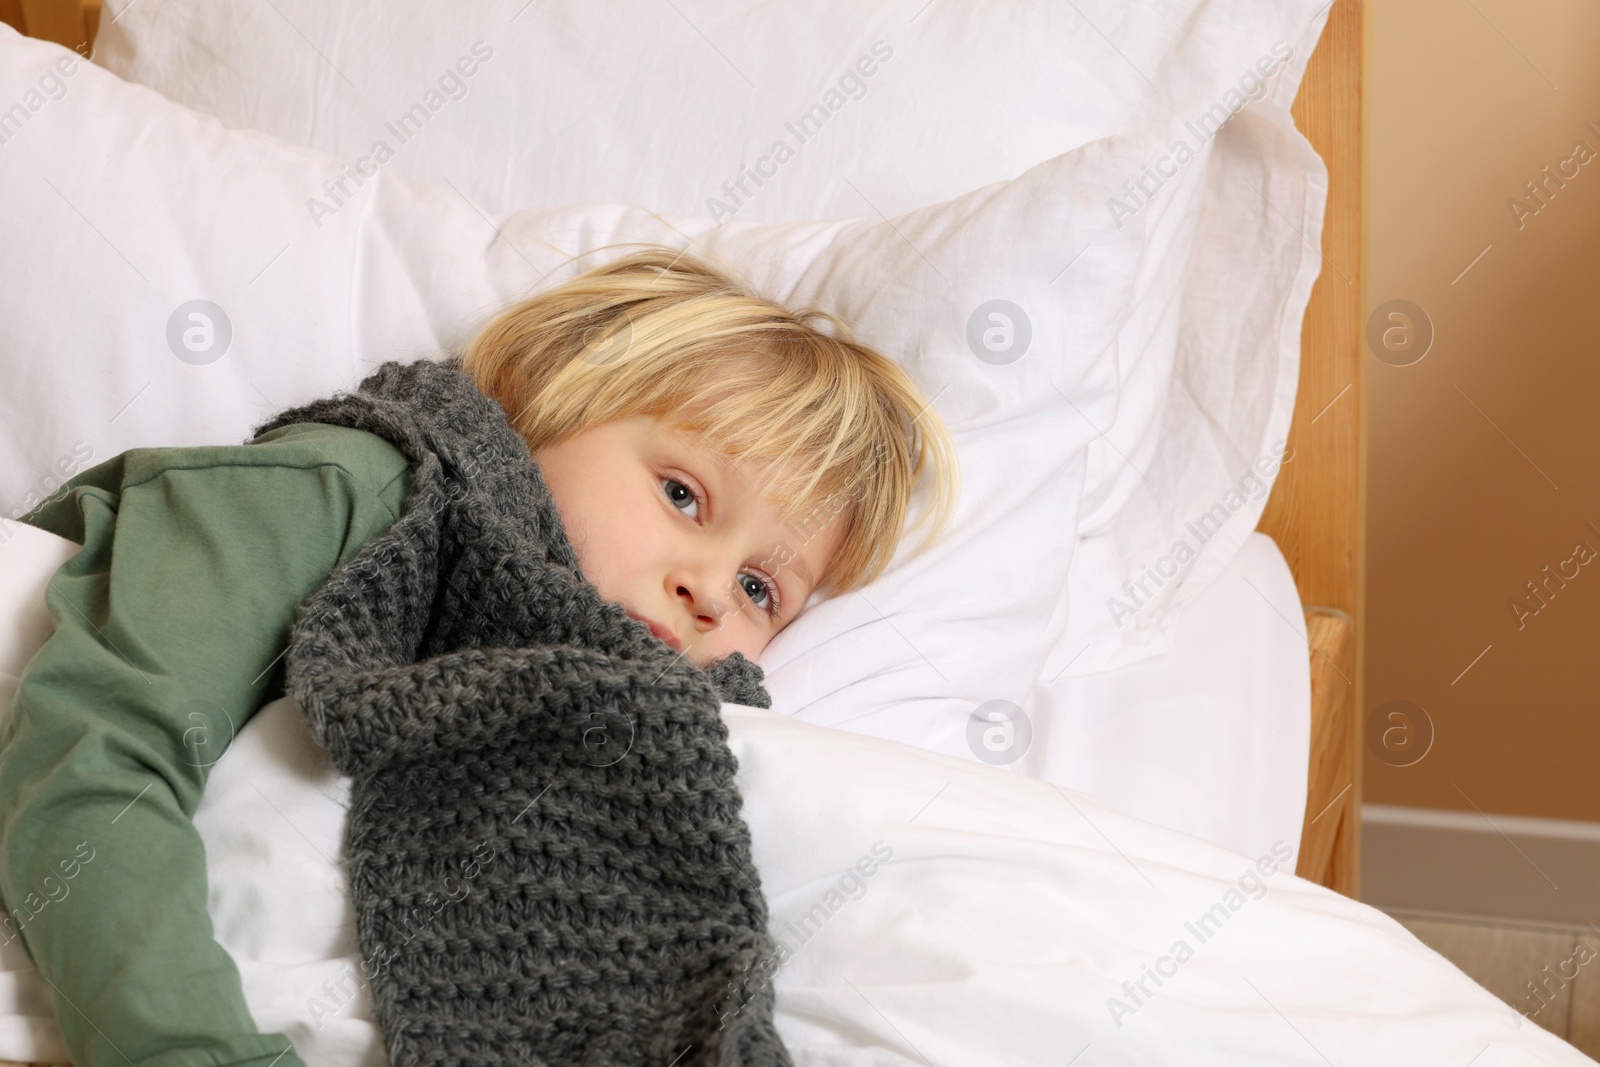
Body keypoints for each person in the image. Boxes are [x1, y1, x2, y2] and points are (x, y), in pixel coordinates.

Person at [0, 245, 959, 1067]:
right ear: (549, 405)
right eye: (683, 495)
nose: (711, 587)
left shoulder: (619, 723)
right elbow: (94, 763)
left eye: (761, 589)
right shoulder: (349, 484)